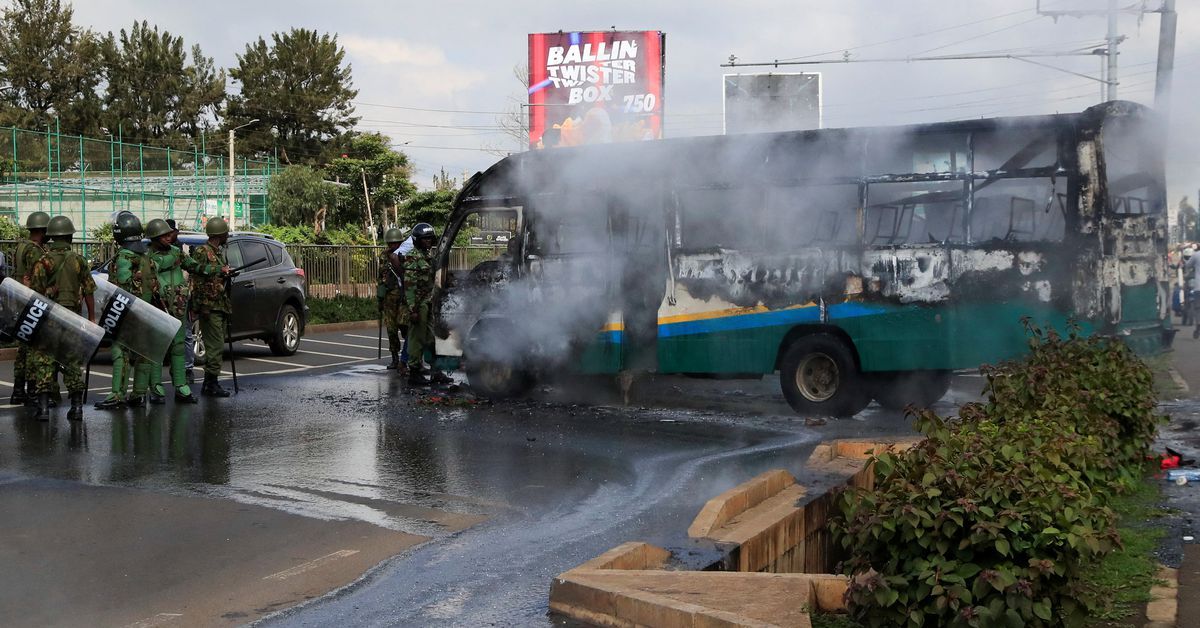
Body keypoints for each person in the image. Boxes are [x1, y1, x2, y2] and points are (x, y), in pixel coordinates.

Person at [28, 216, 96, 420]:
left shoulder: (43, 261)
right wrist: (92, 317)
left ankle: (43, 409)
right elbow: (89, 290)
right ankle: (76, 408)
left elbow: (36, 293)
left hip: (48, 318)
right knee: (72, 361)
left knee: (44, 360)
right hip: (71, 318)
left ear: (51, 236)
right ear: (69, 236)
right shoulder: (78, 260)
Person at [95, 212, 161, 409]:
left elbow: (122, 288)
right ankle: (139, 394)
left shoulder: (124, 257)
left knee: (120, 352)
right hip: (147, 312)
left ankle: (117, 394)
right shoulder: (147, 258)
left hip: (128, 314)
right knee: (142, 353)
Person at [146, 218, 199, 404]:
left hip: (178, 307)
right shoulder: (148, 258)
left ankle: (181, 386)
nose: (170, 237)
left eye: (170, 234)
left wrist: (216, 269)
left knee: (178, 347)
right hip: (158, 307)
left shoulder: (177, 252)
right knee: (157, 349)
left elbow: (194, 266)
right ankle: (156, 388)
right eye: (165, 235)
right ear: (154, 237)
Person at [10, 211, 52, 405]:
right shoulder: (35, 251)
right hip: (32, 302)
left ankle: (18, 390)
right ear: (42, 230)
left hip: (20, 301)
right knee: (33, 349)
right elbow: (37, 281)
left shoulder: (21, 246)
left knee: (23, 349)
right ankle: (33, 391)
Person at [189, 216, 233, 397]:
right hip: (211, 306)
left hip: (220, 305)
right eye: (225, 233)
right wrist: (203, 306)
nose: (227, 236)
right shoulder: (202, 251)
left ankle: (210, 382)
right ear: (220, 234)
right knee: (214, 346)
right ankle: (211, 383)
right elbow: (198, 280)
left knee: (217, 345)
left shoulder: (218, 252)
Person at [403, 223, 450, 385]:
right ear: (417, 240)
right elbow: (409, 286)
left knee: (431, 339)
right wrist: (413, 310)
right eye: (424, 239)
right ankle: (414, 373)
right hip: (418, 305)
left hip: (428, 303)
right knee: (417, 340)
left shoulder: (428, 257)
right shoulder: (413, 258)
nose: (428, 241)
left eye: (430, 238)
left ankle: (436, 372)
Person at [166, 218, 197, 384]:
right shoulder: (157, 252)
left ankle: (187, 368)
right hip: (163, 301)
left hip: (181, 300)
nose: (168, 236)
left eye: (171, 232)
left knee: (185, 335)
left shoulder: (183, 250)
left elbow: (193, 272)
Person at [378, 228, 409, 372]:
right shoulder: (384, 257)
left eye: (395, 243)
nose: (392, 246)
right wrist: (380, 297)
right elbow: (381, 277)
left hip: (403, 297)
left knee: (405, 327)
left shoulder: (405, 254)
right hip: (389, 298)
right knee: (391, 329)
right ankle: (395, 358)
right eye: (390, 243)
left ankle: (408, 357)